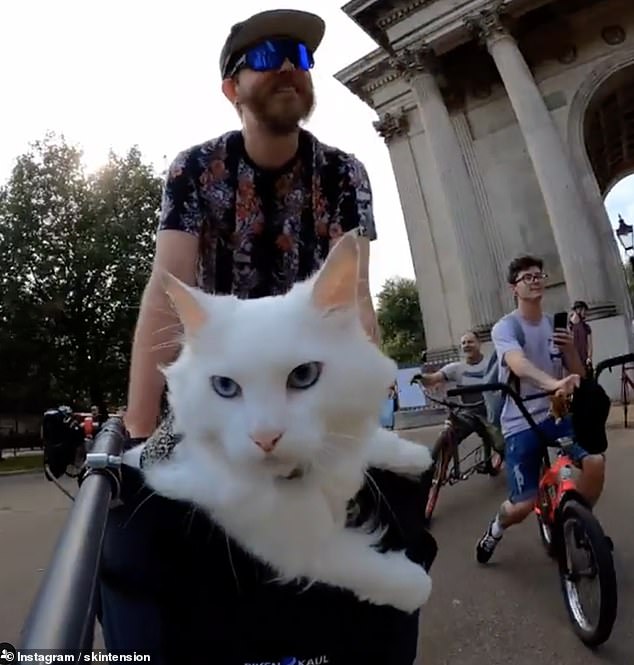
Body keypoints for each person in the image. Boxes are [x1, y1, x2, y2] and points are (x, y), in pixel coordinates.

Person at [98, 9, 436, 665]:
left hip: (313, 390)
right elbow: (167, 289)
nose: (289, 64)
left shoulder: (345, 173)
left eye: (300, 57)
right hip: (217, 401)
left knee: (400, 521)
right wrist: (140, 431)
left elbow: (357, 302)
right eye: (269, 54)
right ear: (231, 87)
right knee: (130, 544)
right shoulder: (194, 170)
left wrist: (359, 415)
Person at [475, 255, 606, 563]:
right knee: (522, 506)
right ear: (514, 289)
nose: (535, 281)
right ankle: (494, 530)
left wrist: (570, 351)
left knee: (596, 462)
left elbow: (578, 375)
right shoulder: (506, 328)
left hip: (556, 415)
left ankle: (581, 525)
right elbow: (518, 365)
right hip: (519, 423)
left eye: (539, 275)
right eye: (527, 278)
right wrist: (552, 383)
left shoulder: (554, 324)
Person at [413, 330, 503, 471]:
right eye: (463, 343)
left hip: (489, 412)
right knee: (450, 435)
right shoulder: (456, 368)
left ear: (479, 344)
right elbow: (434, 378)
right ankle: (439, 471)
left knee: (502, 445)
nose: (467, 345)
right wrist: (421, 378)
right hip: (467, 413)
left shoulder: (490, 365)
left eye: (470, 342)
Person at [569, 300, 593, 372]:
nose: (585, 313)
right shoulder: (569, 327)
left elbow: (590, 345)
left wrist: (589, 358)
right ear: (578, 310)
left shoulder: (586, 327)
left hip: (585, 362)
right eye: (583, 310)